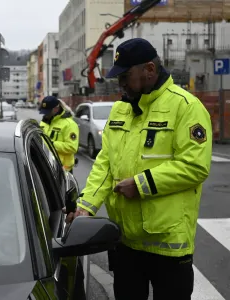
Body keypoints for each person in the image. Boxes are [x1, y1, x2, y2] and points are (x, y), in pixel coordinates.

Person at [65, 38, 212, 300]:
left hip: (169, 247)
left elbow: (194, 166)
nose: (120, 82)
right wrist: (86, 205)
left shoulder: (186, 107)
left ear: (150, 70)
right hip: (125, 244)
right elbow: (105, 163)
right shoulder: (121, 109)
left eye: (125, 75)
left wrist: (141, 185)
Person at [39, 96, 79, 174]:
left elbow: (72, 147)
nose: (45, 115)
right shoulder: (44, 122)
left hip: (63, 170)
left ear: (56, 109)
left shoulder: (69, 124)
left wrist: (51, 144)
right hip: (46, 166)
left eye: (47, 112)